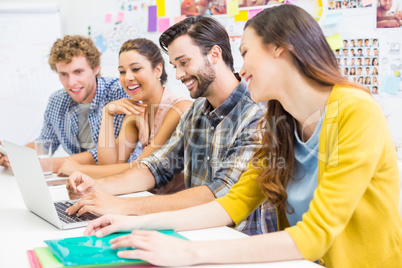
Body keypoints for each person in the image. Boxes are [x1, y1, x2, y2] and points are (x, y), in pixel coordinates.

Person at [83, 5, 402, 267]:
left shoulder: (354, 110)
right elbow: (233, 204)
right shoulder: (280, 122)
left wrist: (189, 253)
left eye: (247, 51)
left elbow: (316, 233)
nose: (242, 66)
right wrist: (131, 222)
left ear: (281, 49)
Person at [66, 16, 276, 236]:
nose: (178, 75)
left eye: (184, 63)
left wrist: (123, 207)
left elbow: (219, 194)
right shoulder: (197, 111)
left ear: (214, 55)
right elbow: (156, 166)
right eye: (175, 65)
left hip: (239, 242)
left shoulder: (258, 114)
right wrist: (96, 187)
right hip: (196, 232)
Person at [57, 39, 192, 188]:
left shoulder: (178, 109)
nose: (127, 77)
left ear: (158, 70)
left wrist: (78, 169)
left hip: (173, 203)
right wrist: (107, 113)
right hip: (144, 195)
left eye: (136, 69)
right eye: (122, 71)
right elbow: (108, 164)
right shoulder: (136, 113)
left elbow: (141, 168)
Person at [0, 35, 132, 170]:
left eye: (78, 72)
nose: (71, 83)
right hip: (80, 179)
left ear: (96, 68)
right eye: (63, 74)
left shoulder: (119, 93)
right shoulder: (57, 100)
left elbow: (108, 156)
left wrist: (46, 165)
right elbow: (44, 144)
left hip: (119, 180)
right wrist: (14, 154)